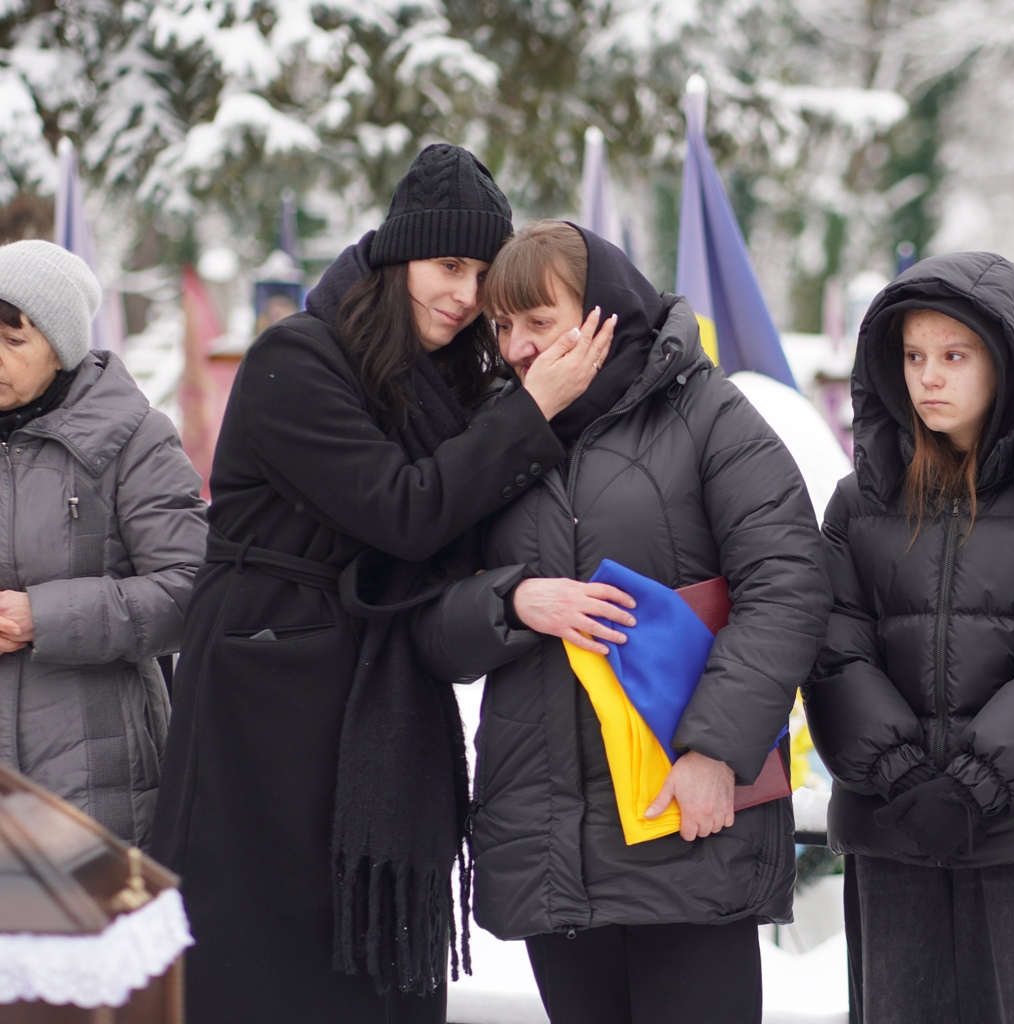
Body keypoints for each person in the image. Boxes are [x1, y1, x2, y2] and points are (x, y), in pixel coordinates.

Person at [149, 147, 612, 1024]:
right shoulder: (296, 359)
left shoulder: (454, 383)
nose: (466, 294)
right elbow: (405, 511)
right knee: (260, 954)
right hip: (261, 685)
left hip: (372, 682)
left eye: (482, 274)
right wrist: (533, 408)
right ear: (398, 256)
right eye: (448, 265)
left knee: (362, 953)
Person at [410, 220, 829, 1024]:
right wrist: (513, 601)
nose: (518, 347)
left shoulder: (707, 413)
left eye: (540, 320)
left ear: (604, 310)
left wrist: (715, 751)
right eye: (502, 326)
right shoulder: (490, 435)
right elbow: (427, 619)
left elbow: (787, 584)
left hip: (688, 818)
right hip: (548, 840)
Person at [801, 251, 1014, 1024]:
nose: (929, 377)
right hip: (894, 832)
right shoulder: (857, 506)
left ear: (1005, 364)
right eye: (913, 356)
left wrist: (973, 788)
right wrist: (901, 778)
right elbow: (833, 651)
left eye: (954, 356)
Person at [0, 239, 205, 845]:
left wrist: (41, 617)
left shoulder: (134, 439)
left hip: (91, 778)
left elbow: (190, 590)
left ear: (61, 349)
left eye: (13, 341)